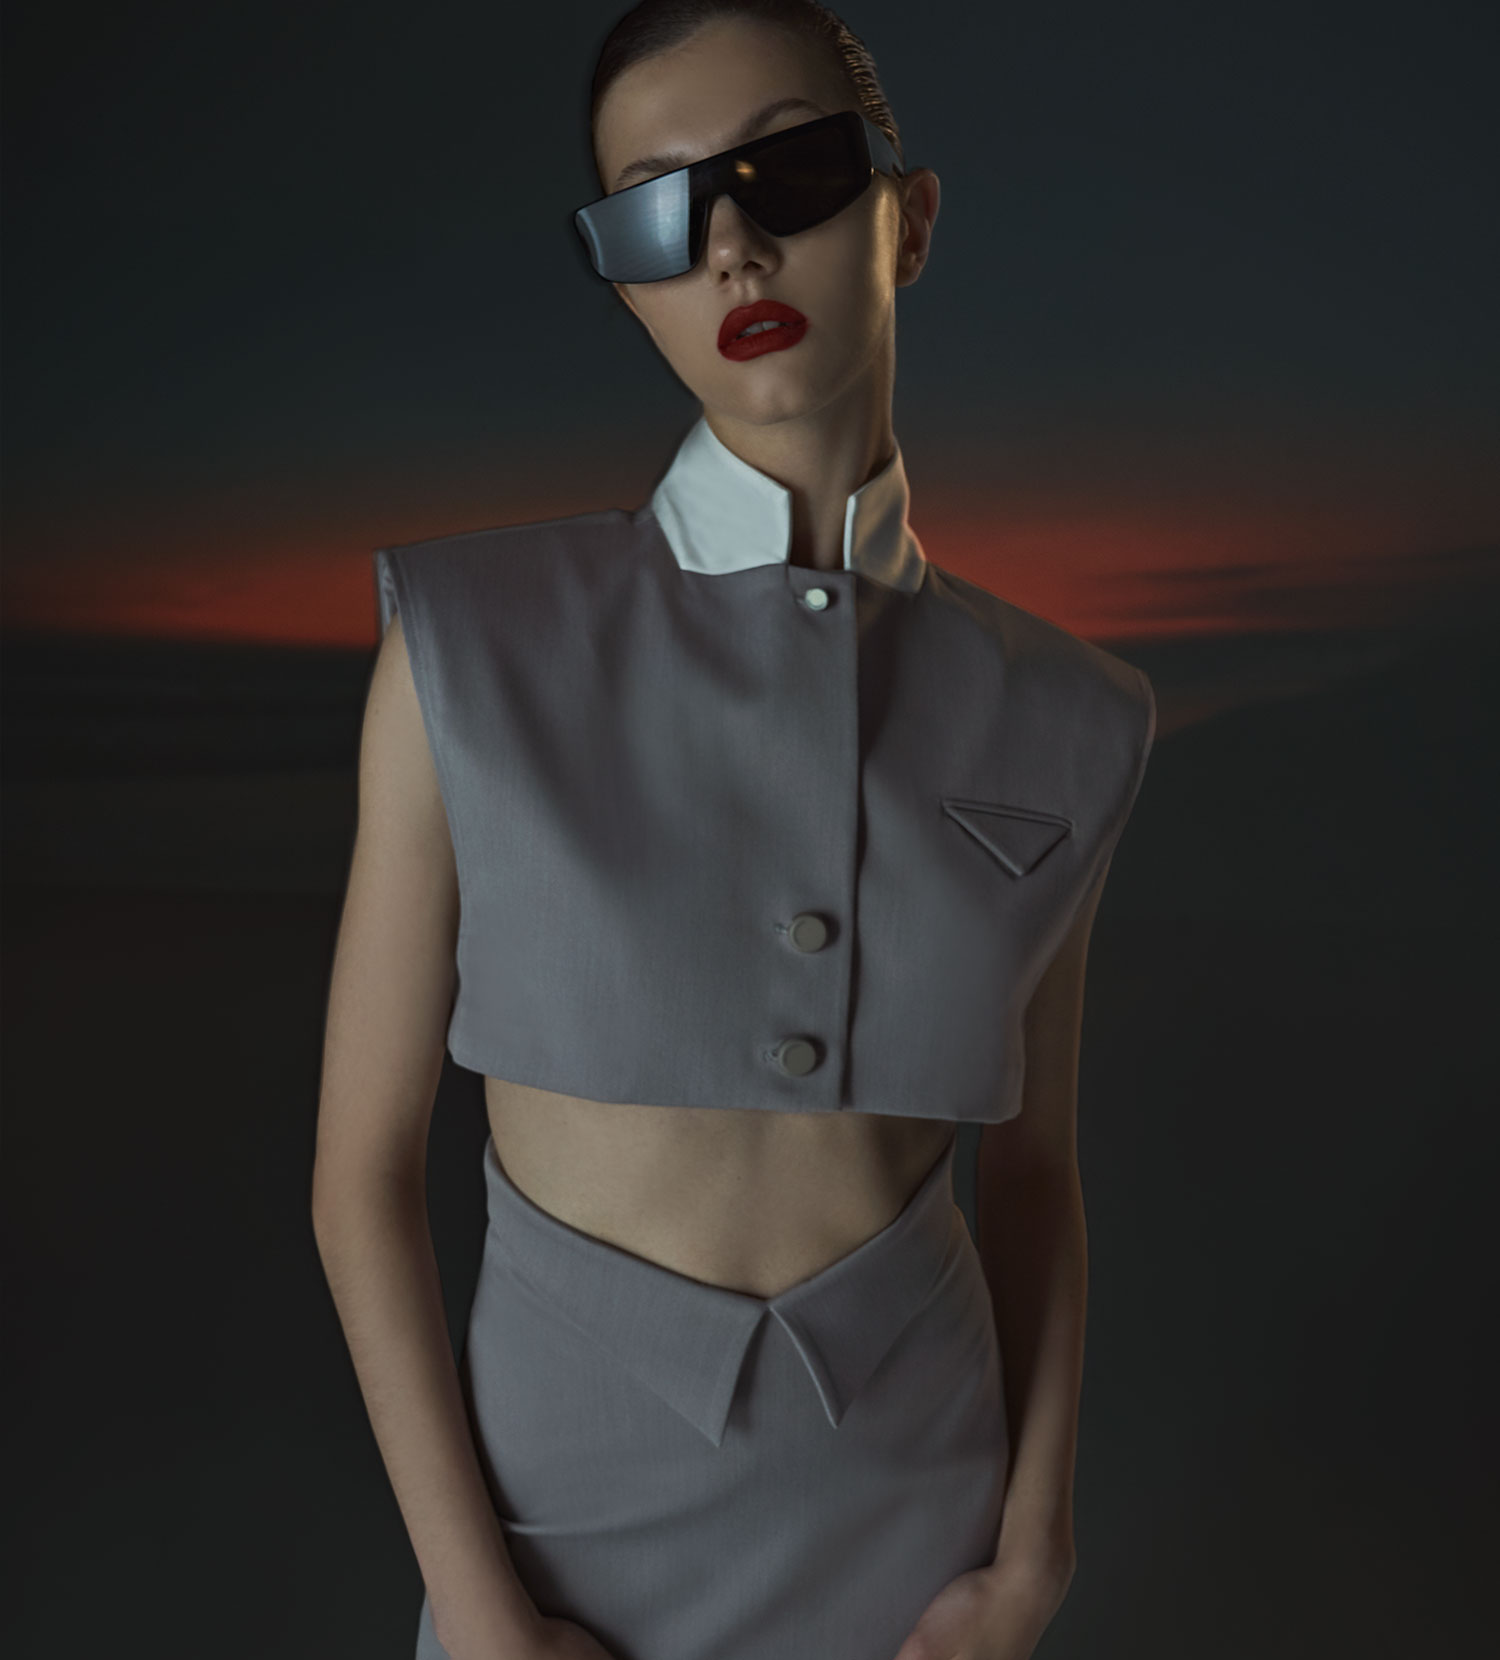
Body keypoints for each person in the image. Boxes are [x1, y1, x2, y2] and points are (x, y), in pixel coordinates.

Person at [311, 5, 1155, 1660]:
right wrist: (479, 1615)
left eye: (791, 170)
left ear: (910, 218)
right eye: (660, 211)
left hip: (920, 1539)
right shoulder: (465, 650)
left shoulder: (1075, 715)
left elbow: (1037, 1170)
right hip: (558, 1553)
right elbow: (358, 1175)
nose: (731, 245)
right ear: (626, 280)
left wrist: (1033, 1556)